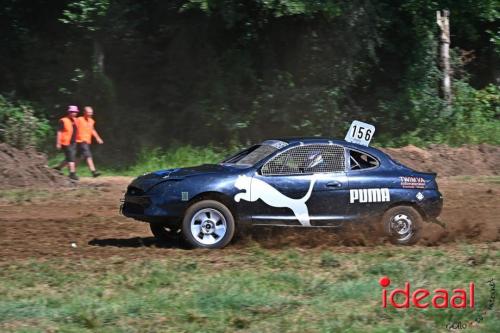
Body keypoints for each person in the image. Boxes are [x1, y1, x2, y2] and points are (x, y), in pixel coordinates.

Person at [76, 106, 104, 177]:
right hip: (80, 140)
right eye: (88, 112)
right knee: (88, 155)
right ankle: (93, 171)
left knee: (79, 157)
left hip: (87, 141)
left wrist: (98, 138)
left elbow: (92, 130)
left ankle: (63, 169)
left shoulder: (91, 121)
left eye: (91, 113)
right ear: (84, 112)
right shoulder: (79, 119)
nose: (90, 114)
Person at [55, 105, 79, 180]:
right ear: (69, 112)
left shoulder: (75, 120)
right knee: (71, 157)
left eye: (75, 112)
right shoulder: (63, 120)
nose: (74, 113)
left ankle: (58, 168)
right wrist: (58, 142)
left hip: (73, 142)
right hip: (65, 142)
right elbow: (59, 132)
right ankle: (72, 173)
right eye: (72, 112)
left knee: (69, 158)